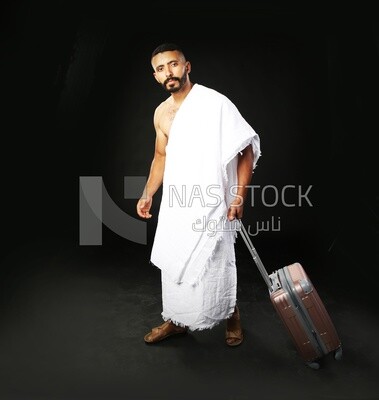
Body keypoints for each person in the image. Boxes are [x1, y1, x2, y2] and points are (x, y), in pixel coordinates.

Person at [136, 42, 261, 346]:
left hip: (213, 201)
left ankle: (231, 315)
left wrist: (239, 196)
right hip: (178, 203)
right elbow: (160, 156)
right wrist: (147, 193)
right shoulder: (161, 113)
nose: (169, 72)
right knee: (176, 261)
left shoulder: (214, 103)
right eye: (161, 68)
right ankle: (177, 320)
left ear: (187, 66)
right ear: (156, 76)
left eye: (174, 64)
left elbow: (245, 148)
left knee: (217, 262)